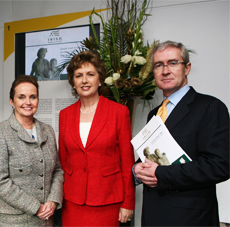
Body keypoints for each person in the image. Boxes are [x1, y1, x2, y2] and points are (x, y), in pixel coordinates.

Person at [133, 40, 229, 226]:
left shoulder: (210, 107)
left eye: (173, 63)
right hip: (152, 216)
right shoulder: (155, 114)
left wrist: (161, 173)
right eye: (158, 65)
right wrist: (136, 170)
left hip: (189, 218)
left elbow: (219, 166)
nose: (165, 70)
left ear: (187, 68)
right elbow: (151, 158)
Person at [59, 51, 135, 226]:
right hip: (72, 203)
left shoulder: (119, 112)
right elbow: (63, 161)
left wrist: (128, 203)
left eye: (90, 74)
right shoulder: (65, 115)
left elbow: (127, 162)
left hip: (107, 202)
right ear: (73, 82)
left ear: (100, 80)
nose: (84, 80)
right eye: (79, 75)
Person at [0, 75, 64, 226]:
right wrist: (35, 207)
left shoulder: (48, 131)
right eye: (21, 97)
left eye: (33, 97)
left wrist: (53, 200)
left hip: (46, 219)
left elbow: (58, 171)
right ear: (12, 101)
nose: (28, 102)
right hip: (13, 220)